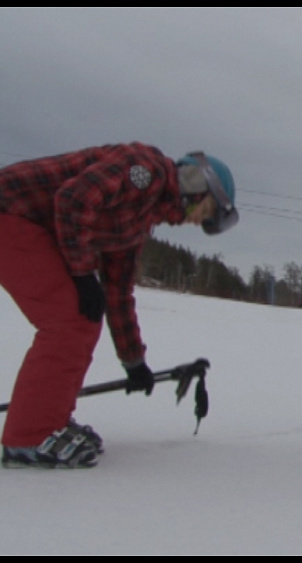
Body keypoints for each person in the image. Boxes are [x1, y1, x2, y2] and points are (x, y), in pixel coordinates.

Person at [0, 143, 239, 469]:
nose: (201, 222)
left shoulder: (135, 223)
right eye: (209, 212)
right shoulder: (145, 170)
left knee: (83, 318)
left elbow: (118, 294)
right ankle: (29, 437)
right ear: (198, 186)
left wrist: (134, 361)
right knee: (69, 321)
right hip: (10, 214)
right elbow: (73, 200)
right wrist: (83, 274)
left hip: (27, 227)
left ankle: (49, 420)